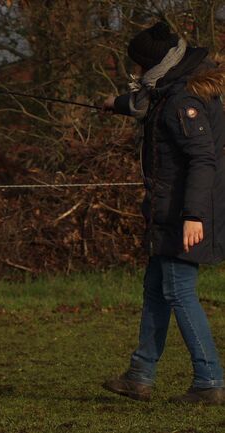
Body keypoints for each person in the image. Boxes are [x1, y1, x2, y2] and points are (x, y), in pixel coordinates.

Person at [102, 21, 225, 405]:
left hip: (180, 215)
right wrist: (113, 104)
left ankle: (209, 380)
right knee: (156, 289)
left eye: (138, 68)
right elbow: (143, 106)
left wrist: (193, 216)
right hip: (169, 212)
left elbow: (202, 160)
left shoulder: (181, 103)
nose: (136, 75)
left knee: (178, 291)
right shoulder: (174, 92)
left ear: (155, 66)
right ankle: (140, 374)